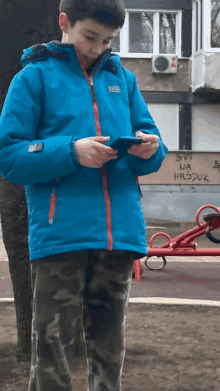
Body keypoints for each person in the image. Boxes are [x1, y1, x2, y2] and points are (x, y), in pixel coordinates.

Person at [0, 0, 167, 389]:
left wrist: (150, 148)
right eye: (89, 36)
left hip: (119, 235)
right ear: (64, 22)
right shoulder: (32, 78)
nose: (97, 48)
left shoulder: (123, 79)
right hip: (61, 236)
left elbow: (151, 148)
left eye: (107, 40)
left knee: (110, 351)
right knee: (52, 350)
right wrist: (70, 152)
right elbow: (8, 155)